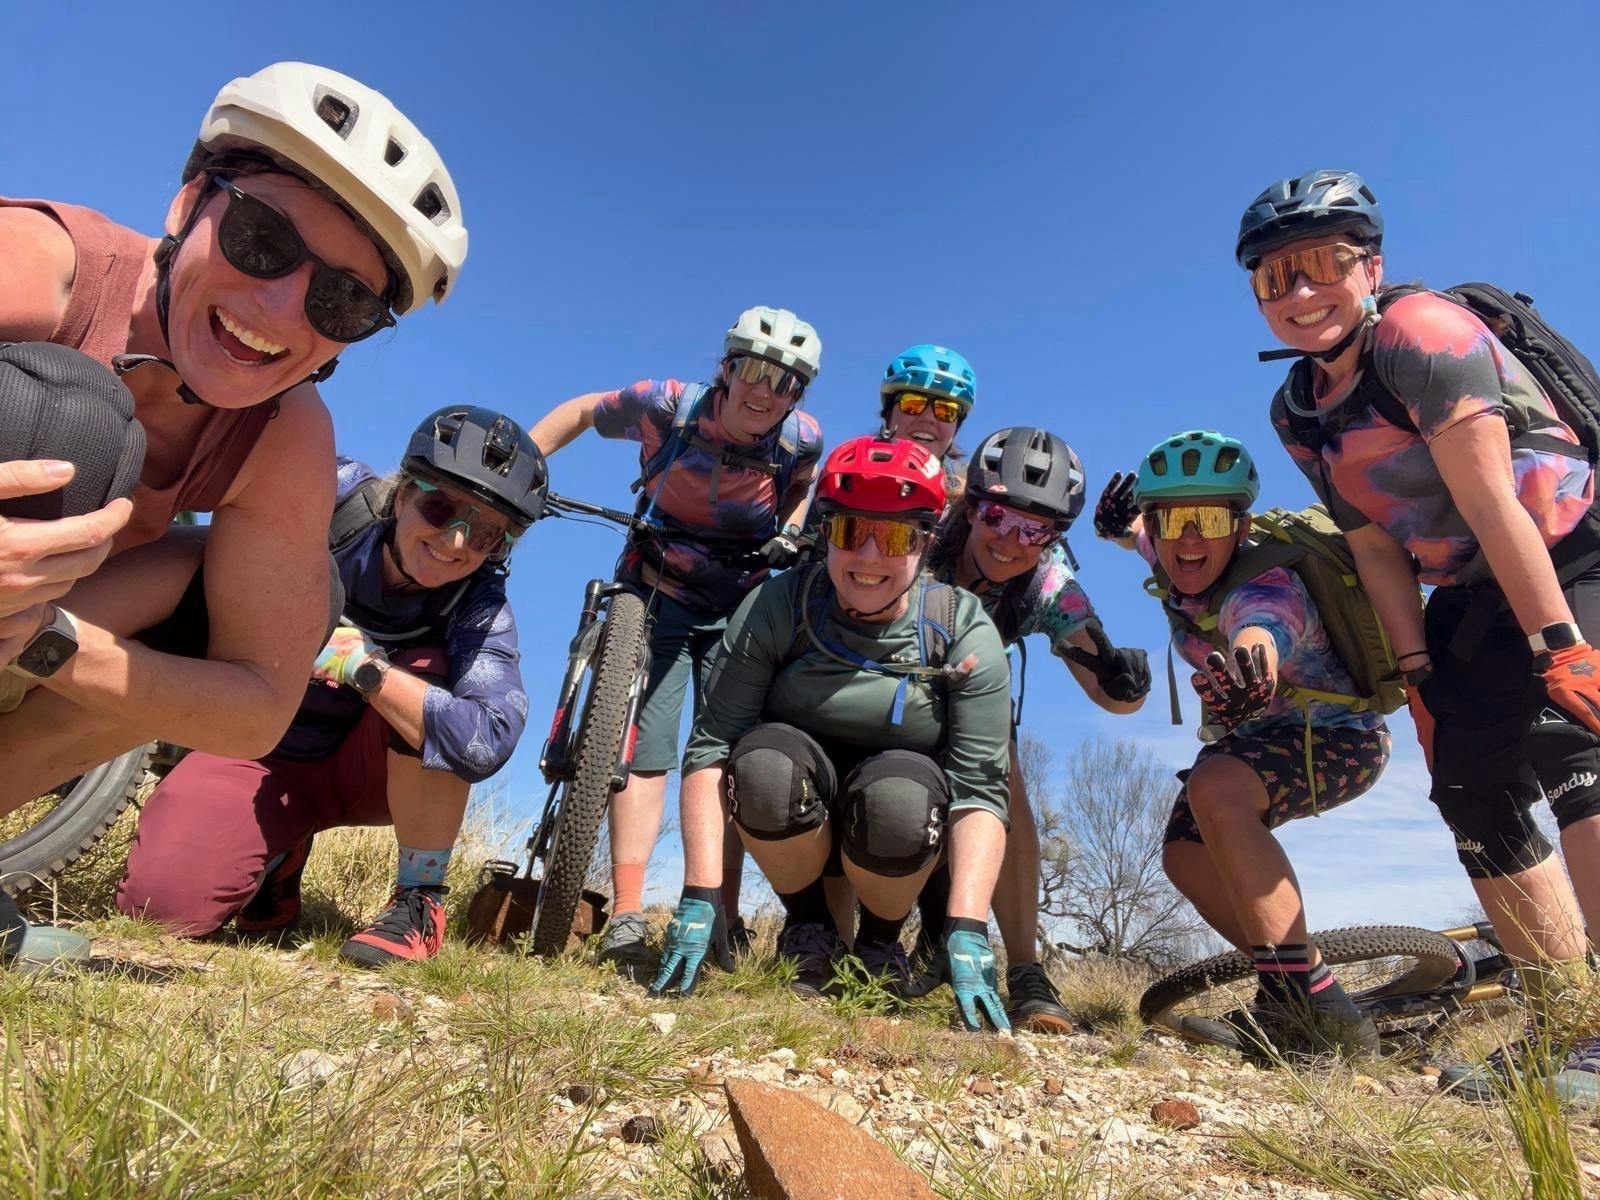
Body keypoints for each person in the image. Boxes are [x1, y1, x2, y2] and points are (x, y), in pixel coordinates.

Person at [0, 63, 466, 957]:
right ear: (188, 206)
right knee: (61, 417)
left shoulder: (286, 434)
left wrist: (43, 635)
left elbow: (254, 707)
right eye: (260, 238)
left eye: (343, 300)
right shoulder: (41, 269)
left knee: (251, 603)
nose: (281, 308)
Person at [1242, 168, 1599, 1099]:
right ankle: (1569, 1026)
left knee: (1573, 740)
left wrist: (1562, 648)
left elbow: (1493, 502)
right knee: (1469, 786)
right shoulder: (1297, 409)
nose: (1301, 290)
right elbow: (1373, 544)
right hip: (1472, 588)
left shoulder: (1423, 335)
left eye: (1324, 263)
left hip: (1570, 548)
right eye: (1274, 276)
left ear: (1372, 265)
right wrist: (1417, 677)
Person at [116, 408, 540, 965]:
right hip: (256, 746)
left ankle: (419, 900)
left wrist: (366, 669)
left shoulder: (481, 606)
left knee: (431, 674)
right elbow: (210, 462)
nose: (457, 540)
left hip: (368, 772)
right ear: (401, 494)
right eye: (440, 507)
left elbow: (487, 740)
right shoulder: (330, 492)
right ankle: (279, 853)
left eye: (485, 533)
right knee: (158, 907)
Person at [648, 435, 1015, 1033]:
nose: (868, 556)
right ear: (825, 534)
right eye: (850, 531)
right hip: (796, 789)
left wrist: (969, 926)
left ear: (925, 543)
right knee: (762, 766)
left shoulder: (961, 628)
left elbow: (979, 792)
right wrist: (700, 894)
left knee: (898, 800)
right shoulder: (779, 604)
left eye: (893, 537)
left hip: (901, 808)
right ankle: (809, 926)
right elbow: (713, 747)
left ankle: (880, 942)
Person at [529, 307, 823, 977]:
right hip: (655, 586)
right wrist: (521, 465)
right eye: (754, 370)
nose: (765, 391)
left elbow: (803, 485)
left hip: (738, 601)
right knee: (647, 748)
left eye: (785, 382)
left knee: (724, 752)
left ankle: (716, 911)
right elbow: (582, 411)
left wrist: (790, 527)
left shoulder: (800, 438)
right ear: (727, 367)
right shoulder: (667, 406)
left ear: (798, 396)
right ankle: (628, 915)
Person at [1097, 429, 1391, 1058]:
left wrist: (1250, 668)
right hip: (1255, 738)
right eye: (1171, 520)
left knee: (1217, 791)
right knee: (1185, 855)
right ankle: (1311, 987)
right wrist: (1122, 530)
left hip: (1338, 739)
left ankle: (1303, 1009)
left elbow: (1261, 630)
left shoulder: (1267, 586)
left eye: (1208, 519)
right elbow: (1148, 542)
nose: (1189, 538)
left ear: (1242, 527)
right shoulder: (1176, 554)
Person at [926, 426, 1151, 1032]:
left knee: (1004, 781)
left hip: (972, 697)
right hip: (888, 684)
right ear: (971, 506)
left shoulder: (1047, 583)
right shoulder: (923, 533)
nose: (1011, 541)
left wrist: (1125, 684)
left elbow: (1109, 694)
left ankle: (1026, 971)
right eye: (998, 517)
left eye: (1036, 530)